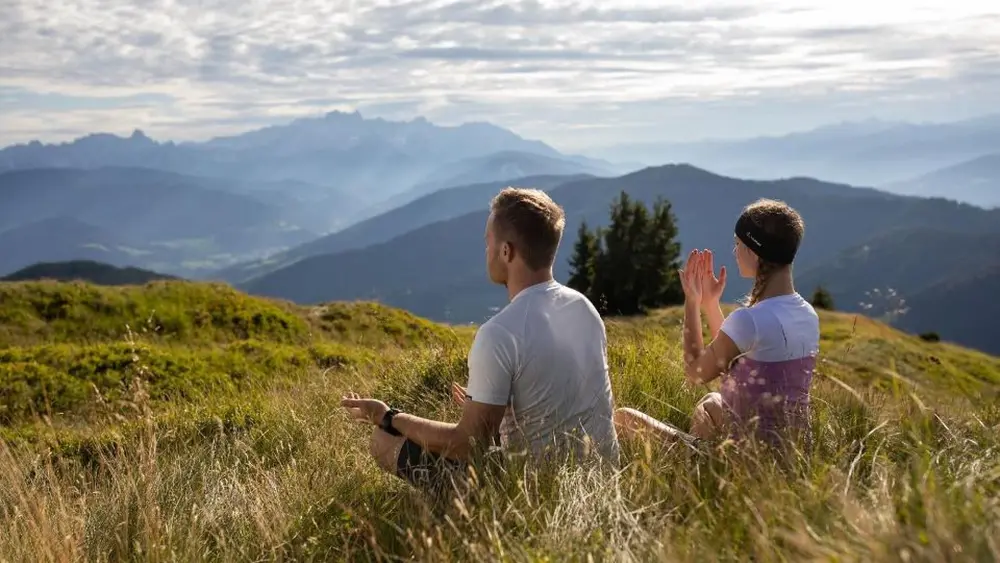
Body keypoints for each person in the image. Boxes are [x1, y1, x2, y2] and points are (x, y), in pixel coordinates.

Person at [341, 187, 620, 494]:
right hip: (603, 482)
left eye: (488, 241)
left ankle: (456, 518)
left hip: (532, 495)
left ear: (506, 251)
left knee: (384, 441)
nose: (485, 250)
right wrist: (501, 408)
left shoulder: (499, 333)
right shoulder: (585, 308)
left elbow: (467, 445)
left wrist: (388, 415)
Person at [614, 198, 819, 451]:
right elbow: (731, 358)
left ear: (753, 252)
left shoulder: (751, 320)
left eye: (738, 244)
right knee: (712, 402)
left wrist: (692, 301)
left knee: (623, 417)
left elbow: (696, 373)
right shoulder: (807, 314)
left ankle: (702, 476)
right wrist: (711, 304)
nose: (734, 252)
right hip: (793, 455)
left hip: (750, 464)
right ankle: (700, 465)